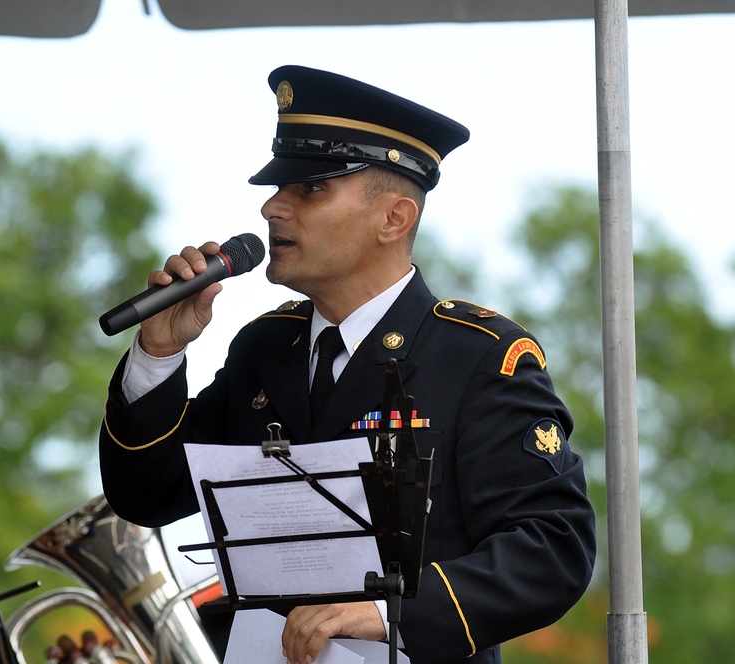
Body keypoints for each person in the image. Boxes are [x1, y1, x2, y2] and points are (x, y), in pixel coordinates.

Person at [89, 65, 596, 664]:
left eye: (309, 189)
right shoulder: (264, 347)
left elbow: (553, 546)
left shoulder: (478, 358)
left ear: (394, 219)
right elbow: (147, 496)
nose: (272, 207)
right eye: (278, 189)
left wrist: (390, 612)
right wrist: (159, 353)